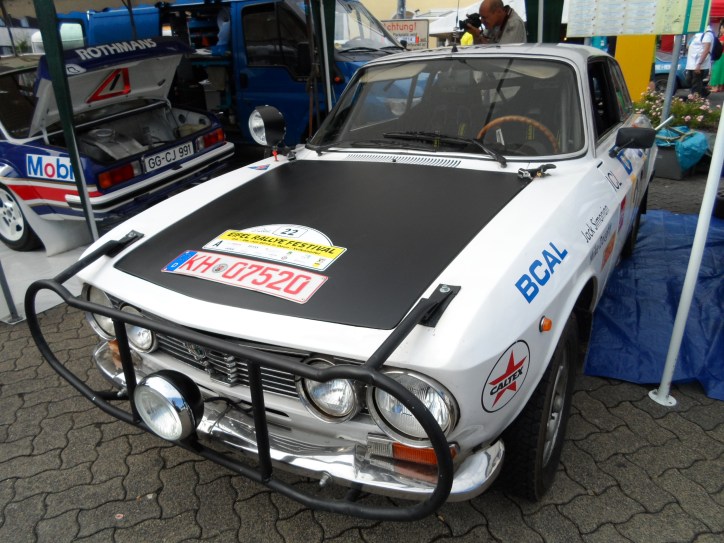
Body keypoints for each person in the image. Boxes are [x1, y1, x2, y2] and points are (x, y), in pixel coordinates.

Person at [685, 28, 714, 97]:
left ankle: (696, 99)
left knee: (696, 82)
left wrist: (699, 64)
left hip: (699, 63)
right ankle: (703, 92)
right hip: (691, 63)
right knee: (689, 80)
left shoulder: (707, 34)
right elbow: (688, 45)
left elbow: (706, 50)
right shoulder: (698, 33)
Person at [708, 21, 724, 92]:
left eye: (721, 28)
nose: (720, 30)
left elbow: (720, 44)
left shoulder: (722, 37)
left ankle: (715, 87)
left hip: (720, 55)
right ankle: (720, 87)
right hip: (722, 55)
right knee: (721, 71)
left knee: (716, 71)